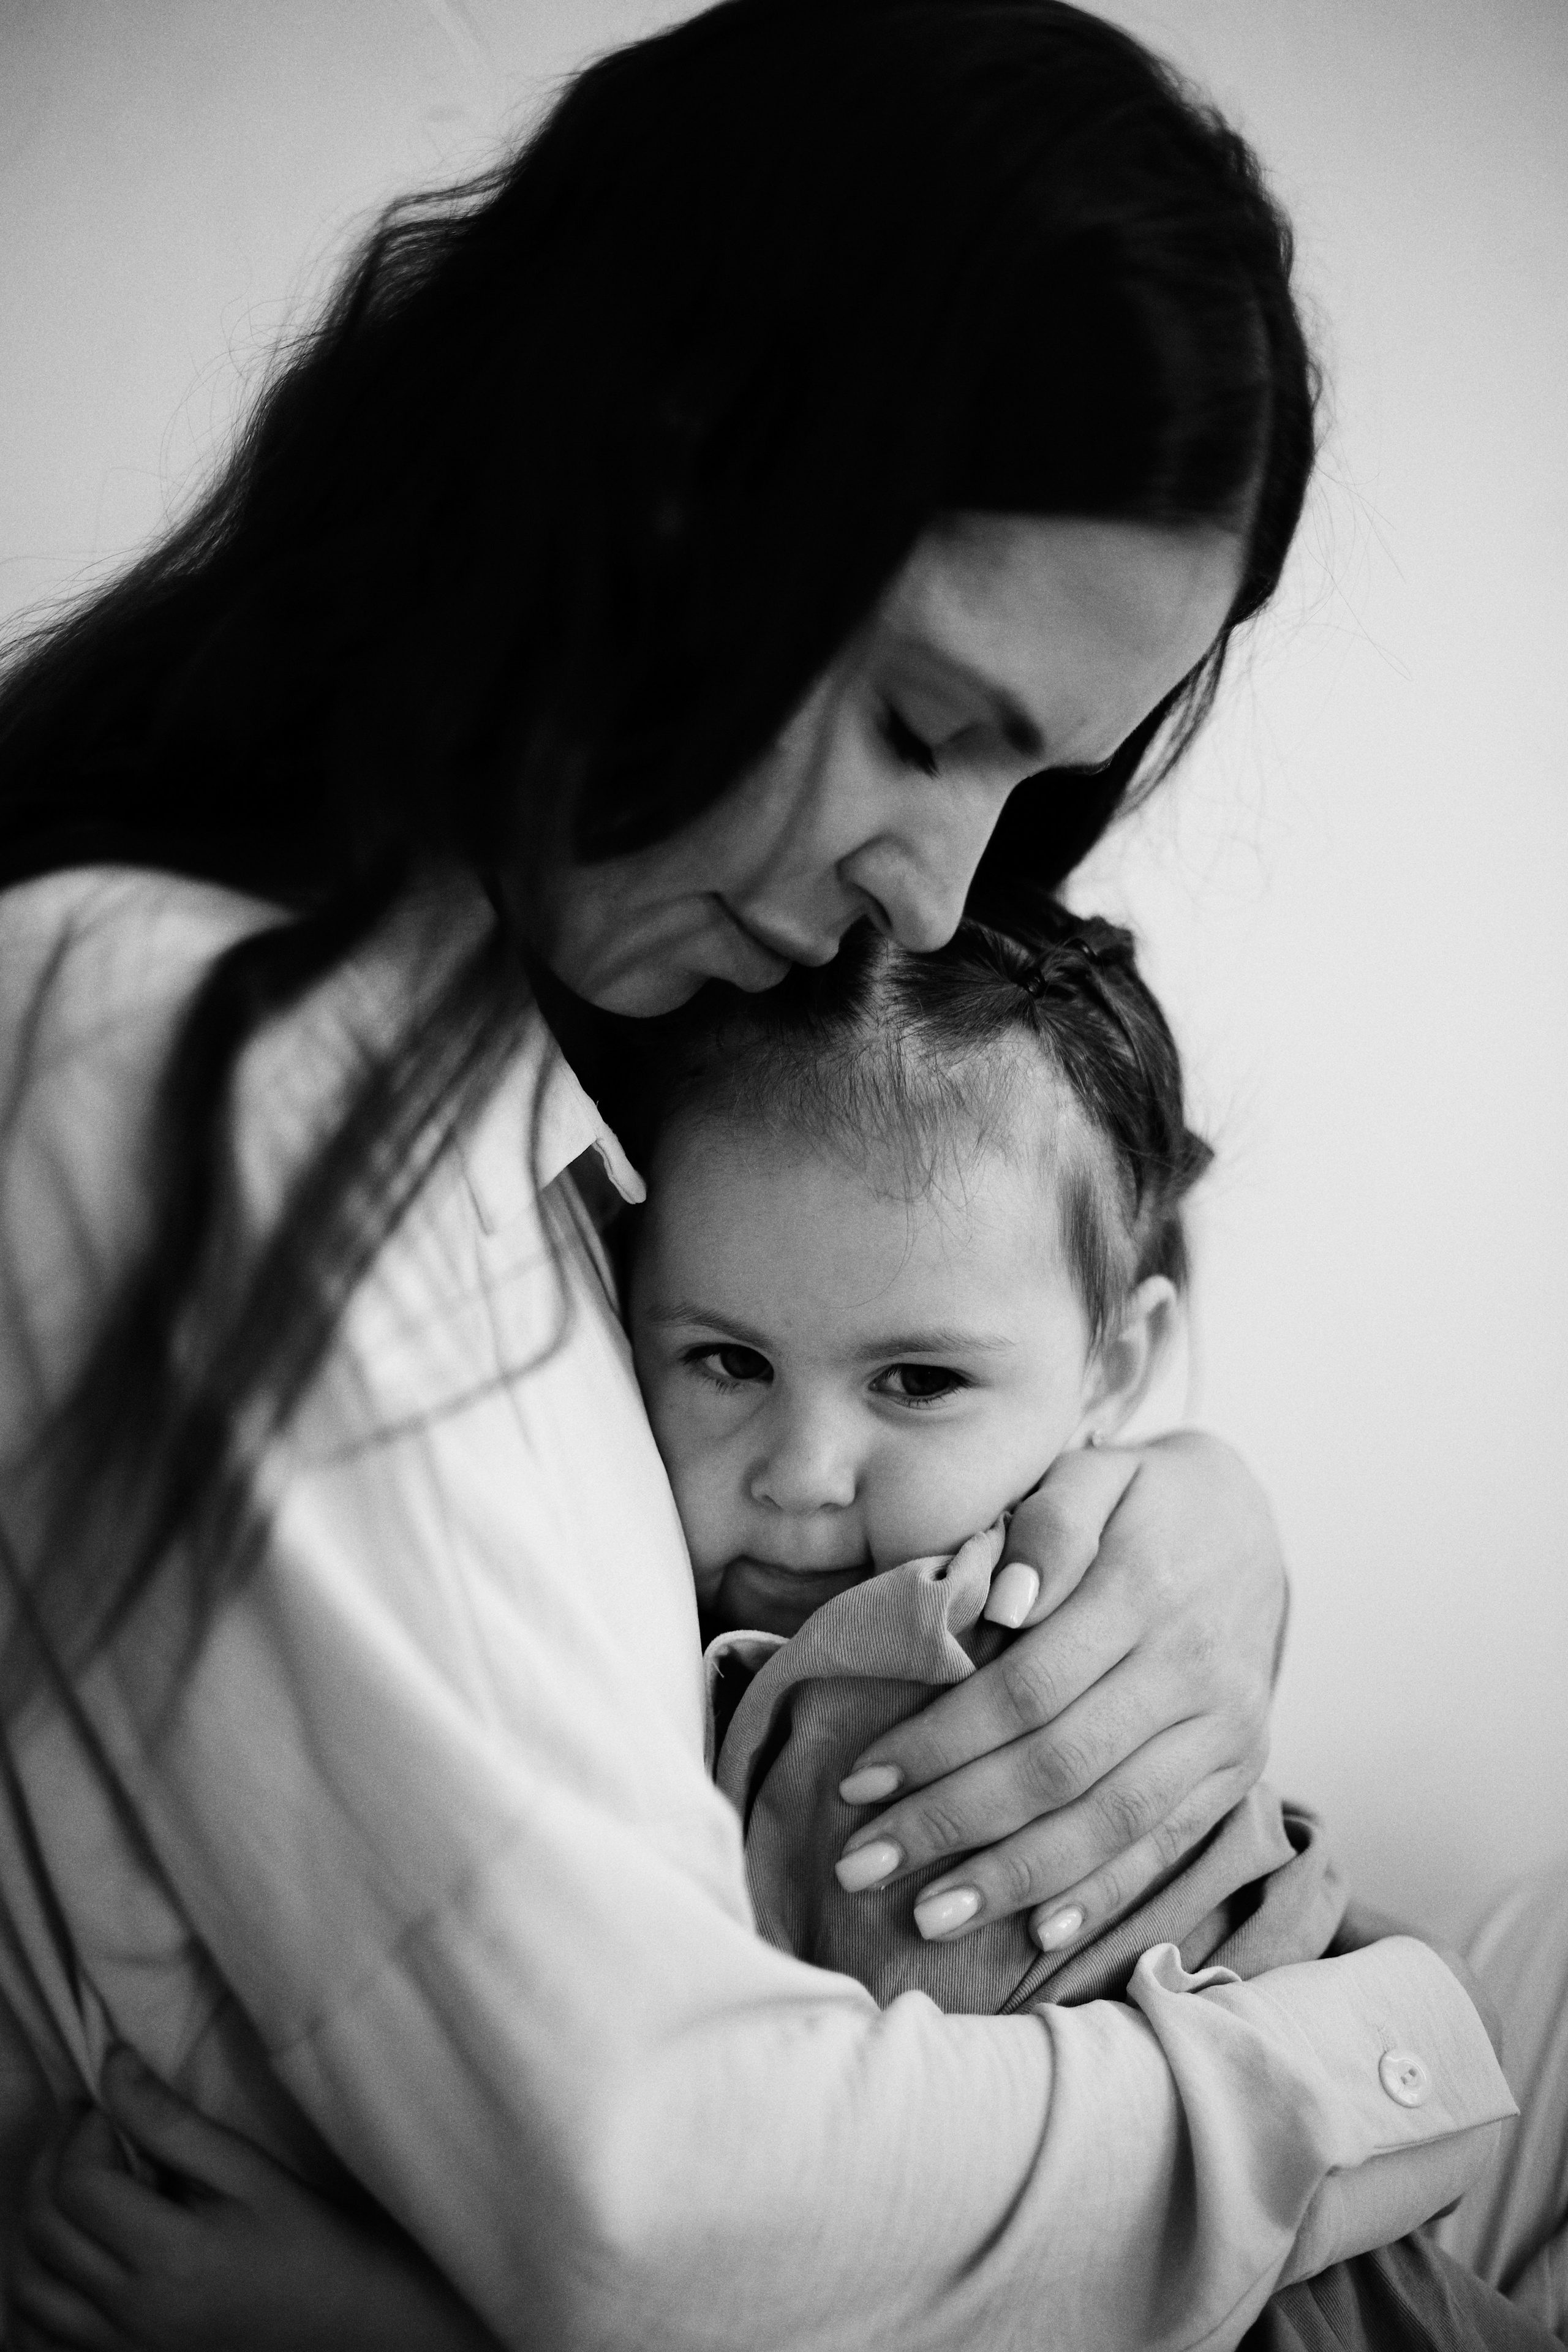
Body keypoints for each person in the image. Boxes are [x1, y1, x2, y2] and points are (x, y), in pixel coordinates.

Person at [0, 2, 1520, 2346]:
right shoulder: (184, 1040)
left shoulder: (556, 1096)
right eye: (923, 727)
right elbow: (659, 2204)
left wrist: (1181, 1516)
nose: (931, 899)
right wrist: (1395, 2062)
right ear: (647, 478)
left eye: (1024, 798)